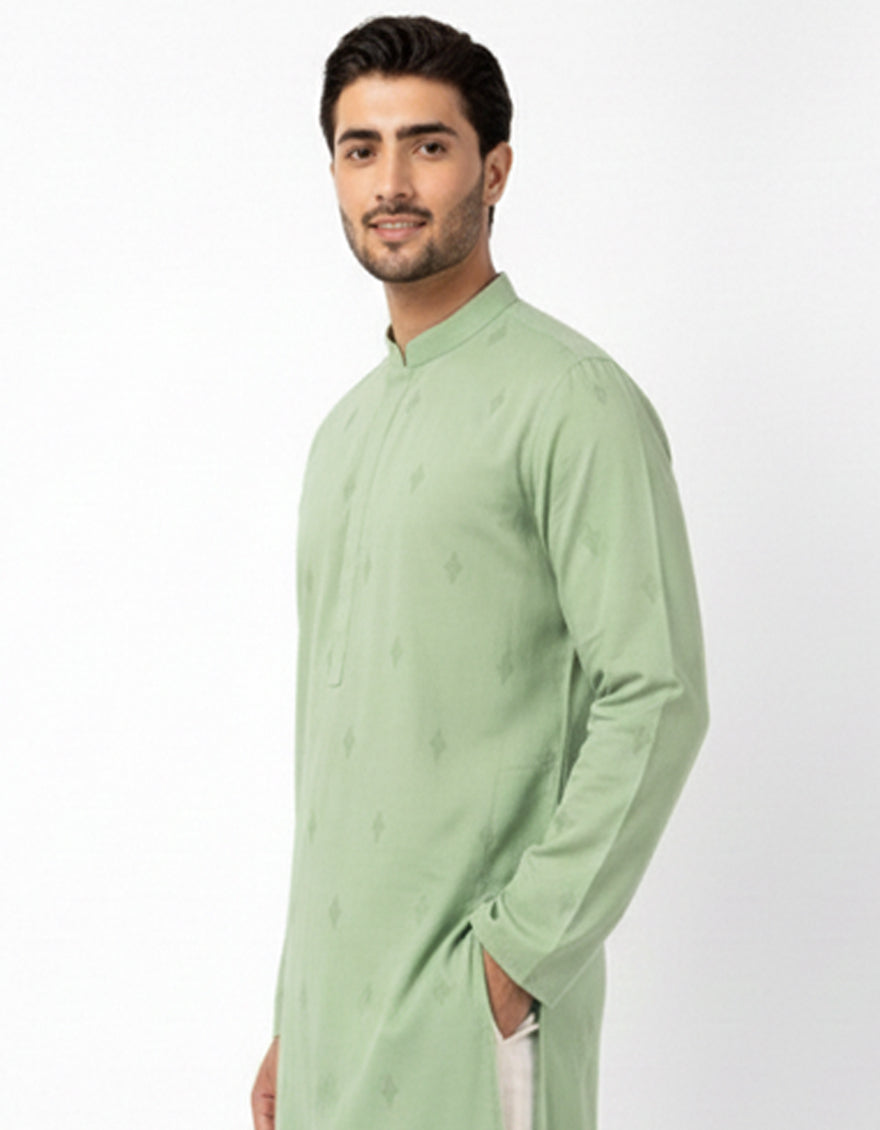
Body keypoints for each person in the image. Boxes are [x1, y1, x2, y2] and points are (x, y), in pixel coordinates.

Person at [251, 15, 709, 1130]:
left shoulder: (571, 399)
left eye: (429, 145)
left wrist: (517, 960)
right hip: (330, 1026)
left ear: (493, 170)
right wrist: (295, 1010)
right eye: (361, 149)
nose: (392, 182)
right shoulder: (343, 433)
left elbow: (655, 694)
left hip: (472, 1018)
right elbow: (336, 755)